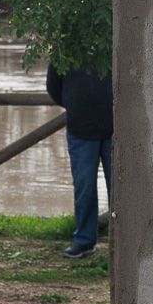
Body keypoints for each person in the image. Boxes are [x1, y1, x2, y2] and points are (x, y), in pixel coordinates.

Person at [46, 62, 113, 259]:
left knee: (119, 191)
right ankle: (84, 241)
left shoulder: (113, 39)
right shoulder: (65, 48)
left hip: (116, 130)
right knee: (84, 188)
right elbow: (53, 87)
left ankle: (120, 242)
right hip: (80, 130)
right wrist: (74, 104)